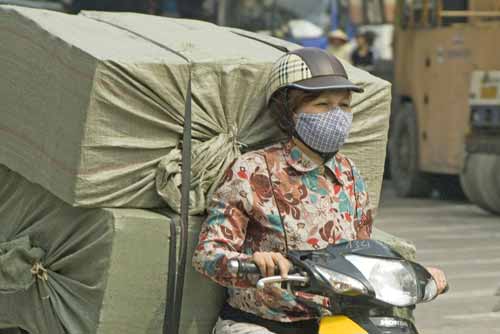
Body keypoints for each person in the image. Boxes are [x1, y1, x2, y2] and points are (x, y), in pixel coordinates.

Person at [192, 47, 447, 334]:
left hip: (336, 324)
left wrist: (417, 276)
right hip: (261, 324)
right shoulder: (252, 170)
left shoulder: (349, 174)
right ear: (288, 112)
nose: (336, 115)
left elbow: (362, 253)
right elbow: (208, 255)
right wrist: (253, 263)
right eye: (323, 105)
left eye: (344, 106)